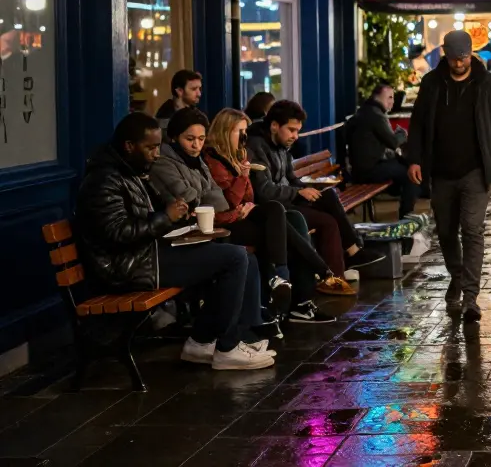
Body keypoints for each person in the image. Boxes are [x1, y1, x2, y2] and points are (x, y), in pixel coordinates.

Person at [74, 112, 274, 370]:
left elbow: (147, 216)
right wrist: (165, 218)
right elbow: (117, 234)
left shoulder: (130, 171)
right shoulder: (104, 180)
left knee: (240, 255)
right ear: (128, 146)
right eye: (151, 148)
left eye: (158, 147)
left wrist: (173, 215)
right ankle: (227, 347)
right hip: (128, 267)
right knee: (233, 258)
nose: (156, 154)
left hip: (146, 255)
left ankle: (203, 341)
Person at [406, 30, 491, 321]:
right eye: (454, 59)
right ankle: (458, 275)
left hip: (476, 172)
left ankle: (470, 298)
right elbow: (417, 125)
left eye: (463, 58)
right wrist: (414, 159)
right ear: (446, 55)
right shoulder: (431, 84)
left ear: (471, 54)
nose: (458, 64)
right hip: (441, 171)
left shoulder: (487, 84)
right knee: (445, 232)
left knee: (472, 229)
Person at [150, 107, 292, 317]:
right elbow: (194, 198)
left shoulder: (197, 161)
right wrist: (238, 181)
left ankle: (265, 308)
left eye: (200, 138)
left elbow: (221, 199)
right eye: (190, 139)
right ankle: (272, 296)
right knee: (254, 247)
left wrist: (236, 183)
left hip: (209, 228)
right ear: (173, 137)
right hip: (184, 238)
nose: (196, 145)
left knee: (279, 218)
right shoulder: (166, 162)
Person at [205, 108, 342, 324]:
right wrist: (243, 176)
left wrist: (245, 181)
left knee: (293, 218)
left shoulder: (237, 155)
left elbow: (249, 195)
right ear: (225, 132)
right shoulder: (214, 159)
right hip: (230, 223)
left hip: (249, 214)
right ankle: (296, 275)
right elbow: (232, 201)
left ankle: (300, 299)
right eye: (240, 131)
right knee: (280, 215)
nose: (244, 137)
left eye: (244, 131)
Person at [247, 100, 383, 286]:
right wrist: (298, 192)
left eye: (298, 131)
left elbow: (291, 177)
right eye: (292, 130)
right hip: (274, 209)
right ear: (274, 125)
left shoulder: (282, 145)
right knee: (327, 221)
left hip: (287, 200)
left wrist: (303, 189)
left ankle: (344, 265)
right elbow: (263, 191)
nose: (296, 136)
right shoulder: (256, 146)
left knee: (328, 197)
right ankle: (343, 267)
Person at [346, 83, 418, 218]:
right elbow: (393, 142)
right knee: (410, 174)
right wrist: (402, 134)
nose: (392, 102)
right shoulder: (376, 115)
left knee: (402, 167)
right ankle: (407, 218)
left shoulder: (365, 111)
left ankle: (404, 206)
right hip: (368, 171)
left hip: (360, 169)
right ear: (377, 97)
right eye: (389, 97)